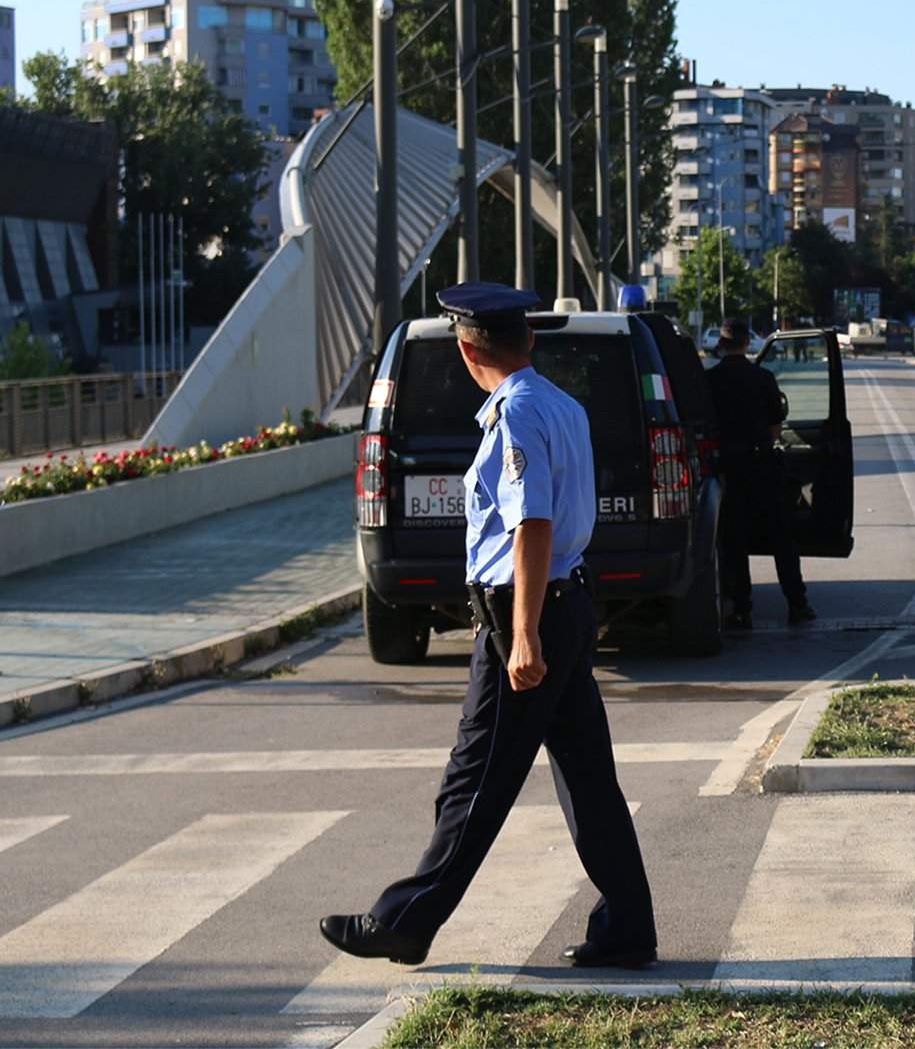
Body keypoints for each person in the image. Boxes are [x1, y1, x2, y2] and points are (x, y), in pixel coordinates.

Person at [320, 283, 657, 969]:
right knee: (588, 780)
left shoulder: (515, 416)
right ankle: (628, 927)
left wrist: (523, 633)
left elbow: (531, 524)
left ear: (467, 350)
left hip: (526, 614)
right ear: (527, 341)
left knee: (475, 778)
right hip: (563, 603)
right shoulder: (561, 406)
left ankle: (405, 921)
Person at [705, 317, 814, 629]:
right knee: (781, 538)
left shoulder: (710, 380)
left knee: (735, 541)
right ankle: (797, 604)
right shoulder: (763, 377)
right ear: (745, 343)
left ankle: (741, 609)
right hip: (762, 465)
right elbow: (776, 426)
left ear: (721, 345)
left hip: (727, 468)